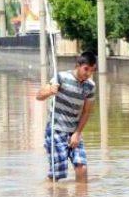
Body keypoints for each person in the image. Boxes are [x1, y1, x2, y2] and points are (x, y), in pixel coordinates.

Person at [36, 51, 97, 182]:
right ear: (78, 65)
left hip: (74, 131)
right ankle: (51, 195)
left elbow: (86, 112)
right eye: (86, 69)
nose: (88, 74)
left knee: (82, 168)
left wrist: (77, 133)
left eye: (92, 71)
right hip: (56, 130)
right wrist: (50, 91)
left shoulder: (90, 87)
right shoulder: (61, 78)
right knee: (58, 174)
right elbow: (39, 96)